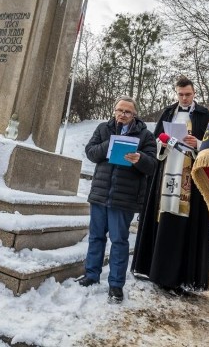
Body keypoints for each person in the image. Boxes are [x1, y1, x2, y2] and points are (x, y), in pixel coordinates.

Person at [131, 77, 209, 294]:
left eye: (188, 94)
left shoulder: (205, 115)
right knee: (163, 218)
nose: (184, 98)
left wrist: (199, 144)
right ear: (176, 94)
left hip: (190, 181)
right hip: (166, 174)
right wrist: (163, 143)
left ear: (194, 93)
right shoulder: (168, 113)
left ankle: (178, 278)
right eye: (180, 94)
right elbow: (156, 140)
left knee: (184, 224)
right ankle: (155, 271)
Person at [78, 96, 156, 303]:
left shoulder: (146, 135)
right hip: (100, 193)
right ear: (114, 111)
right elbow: (91, 153)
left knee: (119, 241)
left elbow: (152, 166)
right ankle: (91, 275)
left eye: (127, 112)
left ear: (134, 115)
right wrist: (109, 145)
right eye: (119, 110)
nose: (122, 114)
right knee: (95, 237)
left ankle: (115, 285)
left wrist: (140, 158)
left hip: (124, 198)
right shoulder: (103, 128)